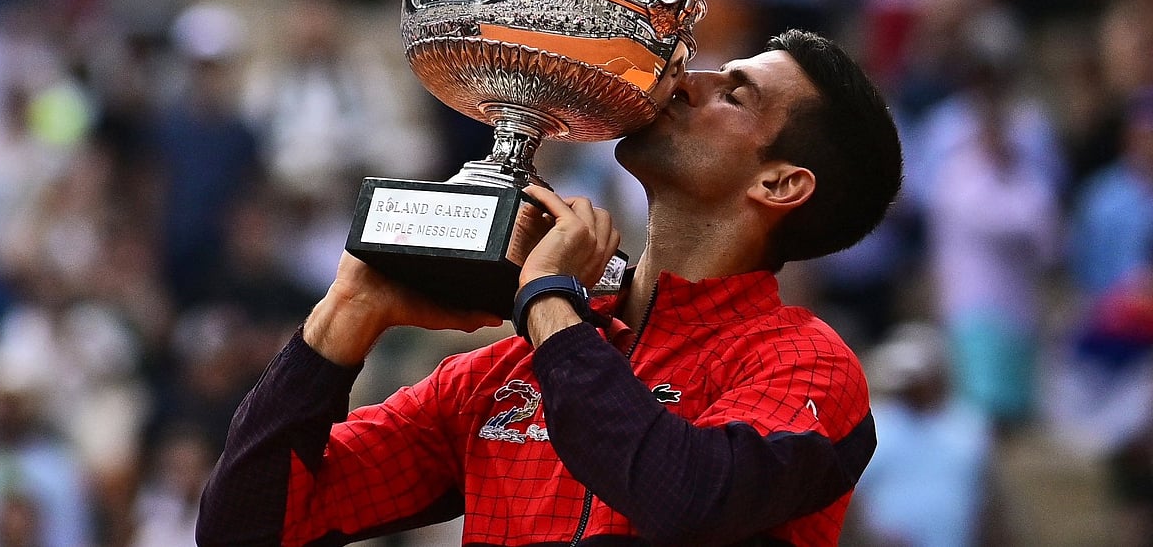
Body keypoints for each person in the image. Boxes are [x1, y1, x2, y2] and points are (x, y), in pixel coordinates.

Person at [196, 29, 903, 546]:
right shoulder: (506, 373)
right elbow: (246, 529)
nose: (687, 80)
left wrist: (552, 303)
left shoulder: (805, 365)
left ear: (780, 183)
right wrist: (345, 315)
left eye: (734, 92)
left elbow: (688, 497)